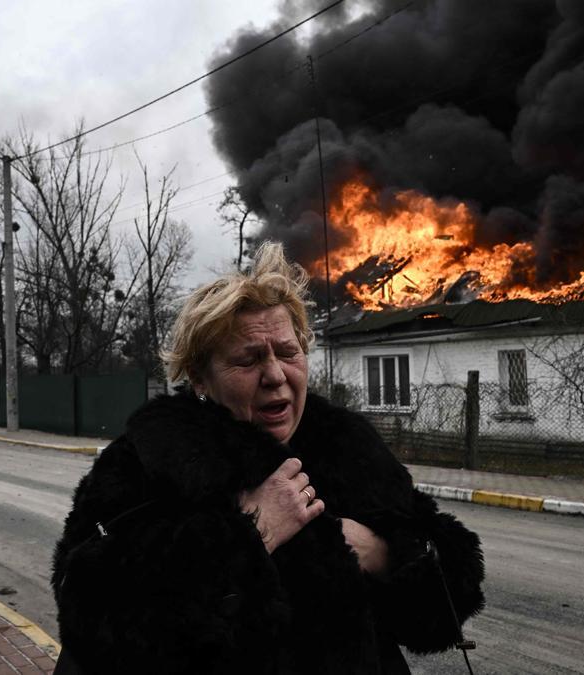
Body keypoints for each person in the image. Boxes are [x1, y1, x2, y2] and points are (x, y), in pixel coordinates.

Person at [51, 243, 485, 674]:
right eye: (249, 359)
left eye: (287, 352)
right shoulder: (151, 459)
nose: (275, 375)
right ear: (201, 377)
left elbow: (446, 603)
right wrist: (250, 535)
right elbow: (91, 618)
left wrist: (387, 553)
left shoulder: (349, 450)